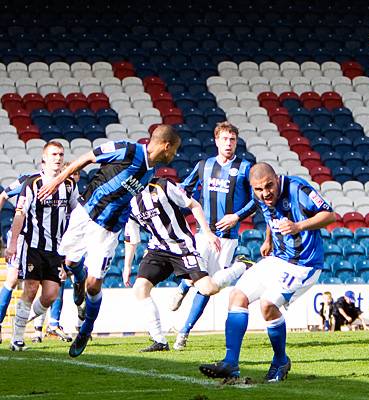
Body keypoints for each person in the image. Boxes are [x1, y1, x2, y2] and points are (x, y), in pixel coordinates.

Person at [37, 124, 181, 357]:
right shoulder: (127, 150)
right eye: (174, 150)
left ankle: (86, 328)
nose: (174, 156)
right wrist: (56, 181)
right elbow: (86, 158)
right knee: (70, 264)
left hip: (108, 229)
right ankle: (77, 283)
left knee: (94, 285)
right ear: (166, 146)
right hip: (85, 213)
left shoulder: (149, 173)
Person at [199, 162, 335, 382]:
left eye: (269, 186)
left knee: (267, 305)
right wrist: (268, 239)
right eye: (259, 190)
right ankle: (230, 363)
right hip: (277, 259)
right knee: (237, 296)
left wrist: (298, 226)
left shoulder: (297, 188)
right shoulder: (261, 197)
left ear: (276, 178)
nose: (265, 193)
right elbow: (272, 217)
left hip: (304, 264)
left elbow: (329, 215)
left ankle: (281, 360)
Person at [122, 177, 252, 352]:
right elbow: (131, 237)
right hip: (158, 249)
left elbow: (194, 205)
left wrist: (207, 233)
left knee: (208, 289)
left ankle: (241, 265)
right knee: (140, 289)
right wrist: (126, 267)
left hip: (182, 247)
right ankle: (159, 340)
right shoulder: (129, 204)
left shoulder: (162, 185)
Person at [170, 121, 256, 351]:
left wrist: (236, 216)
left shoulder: (246, 168)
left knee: (208, 287)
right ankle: (183, 286)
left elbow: (256, 200)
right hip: (204, 234)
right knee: (195, 275)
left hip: (227, 238)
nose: (229, 143)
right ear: (216, 140)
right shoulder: (204, 166)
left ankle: (184, 332)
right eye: (225, 139)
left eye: (233, 140)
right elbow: (184, 190)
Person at [5, 141, 79, 351]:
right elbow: (19, 214)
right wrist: (12, 244)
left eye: (61, 155)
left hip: (56, 249)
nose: (58, 158)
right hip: (33, 246)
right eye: (54, 154)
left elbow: (76, 213)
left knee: (50, 295)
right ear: (44, 158)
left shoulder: (69, 185)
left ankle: (21, 320)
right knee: (30, 288)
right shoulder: (32, 183)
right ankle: (17, 338)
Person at [31, 165, 82, 343]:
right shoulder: (54, 195)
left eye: (77, 174)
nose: (75, 177)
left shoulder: (74, 197)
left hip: (72, 247)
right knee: (52, 286)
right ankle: (43, 327)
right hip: (53, 246)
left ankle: (69, 323)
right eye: (72, 173)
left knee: (72, 284)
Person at [0, 174, 30, 344]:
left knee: (35, 284)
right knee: (11, 280)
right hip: (20, 237)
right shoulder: (28, 179)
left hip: (42, 240)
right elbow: (3, 195)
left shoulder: (64, 187)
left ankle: (23, 333)